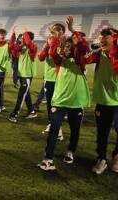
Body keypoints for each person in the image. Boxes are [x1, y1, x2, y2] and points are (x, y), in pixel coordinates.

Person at [38, 16, 90, 171]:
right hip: (59, 99)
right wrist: (55, 37)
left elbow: (83, 45)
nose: (66, 49)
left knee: (75, 131)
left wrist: (73, 31)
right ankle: (48, 159)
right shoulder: (60, 61)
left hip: (76, 100)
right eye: (64, 47)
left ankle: (70, 151)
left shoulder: (81, 61)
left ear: (73, 48)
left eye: (69, 47)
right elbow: (53, 52)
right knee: (54, 128)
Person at [84, 28, 118, 174]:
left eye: (106, 37)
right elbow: (85, 59)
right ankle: (102, 159)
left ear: (115, 39)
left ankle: (117, 157)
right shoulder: (99, 54)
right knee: (102, 133)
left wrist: (113, 52)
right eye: (101, 38)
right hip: (103, 102)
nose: (102, 40)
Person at [37, 23, 66, 140]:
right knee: (49, 104)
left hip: (61, 79)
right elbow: (40, 58)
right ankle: (51, 123)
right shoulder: (48, 44)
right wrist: (48, 46)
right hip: (49, 78)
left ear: (63, 33)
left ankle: (58, 129)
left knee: (58, 105)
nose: (54, 32)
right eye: (53, 30)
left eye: (58, 30)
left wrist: (54, 43)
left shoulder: (65, 45)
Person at [7, 27, 38, 123]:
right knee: (26, 93)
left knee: (21, 95)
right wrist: (13, 35)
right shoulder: (23, 47)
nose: (21, 39)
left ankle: (14, 114)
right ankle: (32, 111)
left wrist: (25, 32)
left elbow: (29, 43)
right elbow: (11, 46)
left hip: (27, 75)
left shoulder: (33, 47)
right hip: (22, 74)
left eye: (23, 37)